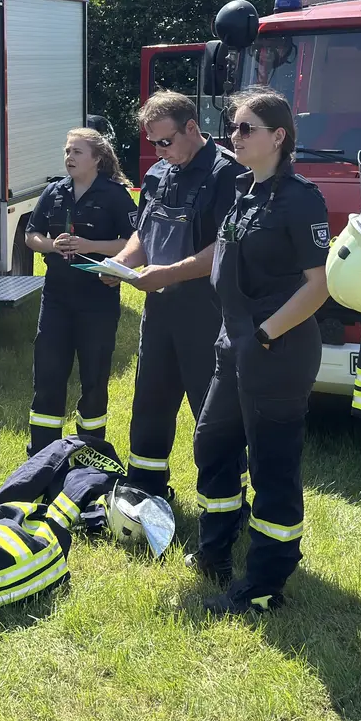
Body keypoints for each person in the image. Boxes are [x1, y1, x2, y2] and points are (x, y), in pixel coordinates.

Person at [191, 88, 330, 615]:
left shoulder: (301, 198)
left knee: (273, 467)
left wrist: (266, 334)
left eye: (247, 128)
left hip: (277, 349)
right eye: (234, 127)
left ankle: (265, 583)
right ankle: (216, 553)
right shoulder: (244, 192)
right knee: (212, 444)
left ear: (279, 136)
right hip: (236, 346)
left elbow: (318, 285)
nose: (235, 136)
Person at [102, 90, 240, 496]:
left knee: (211, 410)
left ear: (192, 128)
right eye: (153, 143)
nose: (160, 151)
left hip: (207, 314)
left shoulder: (226, 174)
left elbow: (224, 248)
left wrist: (168, 275)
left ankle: (225, 499)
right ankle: (146, 488)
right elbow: (143, 233)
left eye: (166, 141)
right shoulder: (157, 175)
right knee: (150, 403)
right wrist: (122, 264)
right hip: (159, 311)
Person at [21, 128, 138, 454]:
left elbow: (135, 240)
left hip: (97, 299)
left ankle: (90, 452)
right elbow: (32, 235)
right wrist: (52, 245)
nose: (69, 157)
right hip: (56, 298)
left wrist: (90, 245)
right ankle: (42, 454)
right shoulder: (55, 191)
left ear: (97, 160)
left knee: (94, 379)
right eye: (67, 151)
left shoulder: (114, 195)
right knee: (48, 376)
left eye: (76, 152)